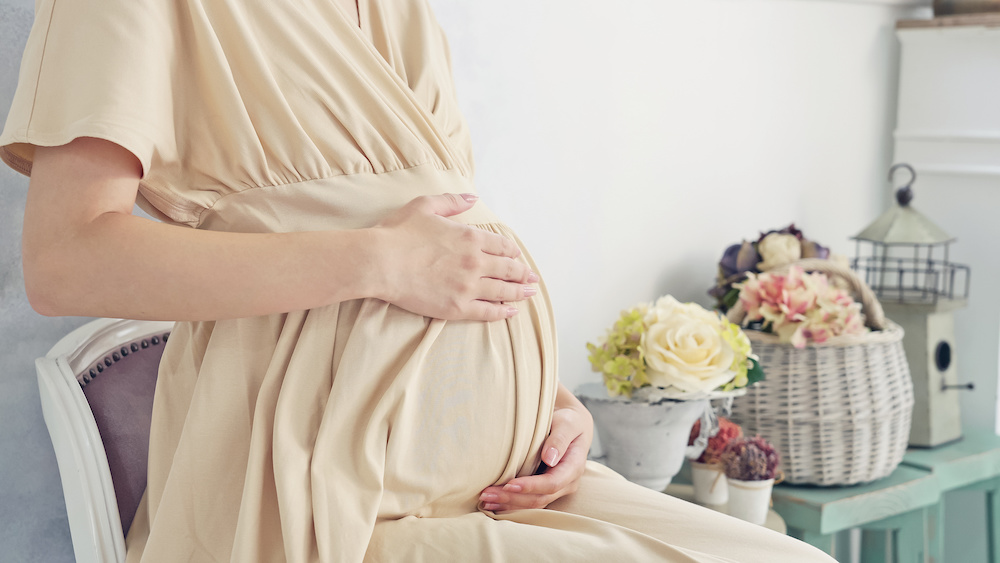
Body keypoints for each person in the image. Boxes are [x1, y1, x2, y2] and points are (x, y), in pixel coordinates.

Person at [2, 0, 837, 561]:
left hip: (507, 481)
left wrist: (547, 404)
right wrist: (380, 260)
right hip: (323, 492)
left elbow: (444, 230)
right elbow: (67, 259)